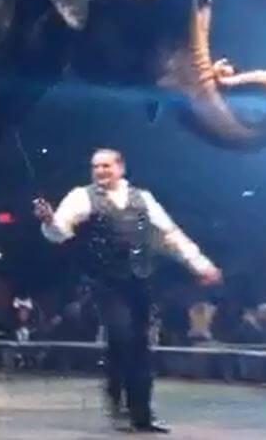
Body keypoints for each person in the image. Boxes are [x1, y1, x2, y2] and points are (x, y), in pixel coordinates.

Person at [32, 148, 222, 433]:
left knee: (140, 344)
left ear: (120, 167)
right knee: (121, 337)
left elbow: (169, 234)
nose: (100, 171)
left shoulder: (142, 198)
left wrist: (199, 264)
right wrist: (48, 221)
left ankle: (141, 414)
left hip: (140, 280)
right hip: (106, 282)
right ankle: (116, 392)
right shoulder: (81, 196)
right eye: (96, 167)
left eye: (106, 166)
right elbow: (60, 232)